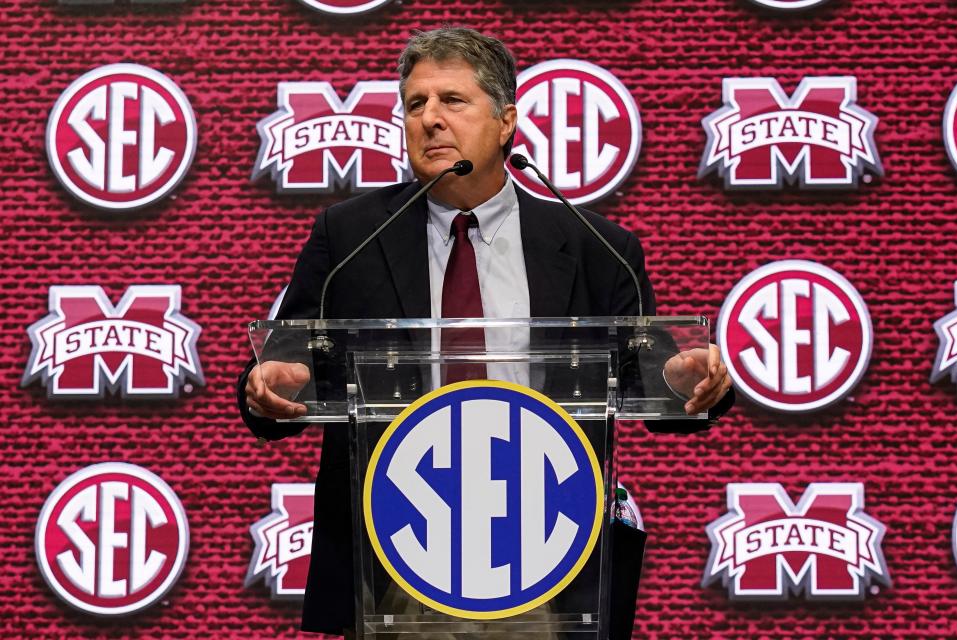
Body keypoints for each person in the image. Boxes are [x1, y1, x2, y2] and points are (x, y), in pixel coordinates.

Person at [238, 27, 734, 637]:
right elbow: (279, 376)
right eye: (415, 104)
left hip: (547, 554)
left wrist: (687, 380)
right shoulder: (349, 237)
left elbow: (652, 385)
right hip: (395, 554)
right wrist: (269, 384)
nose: (430, 120)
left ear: (506, 122)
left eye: (453, 100)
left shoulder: (593, 247)